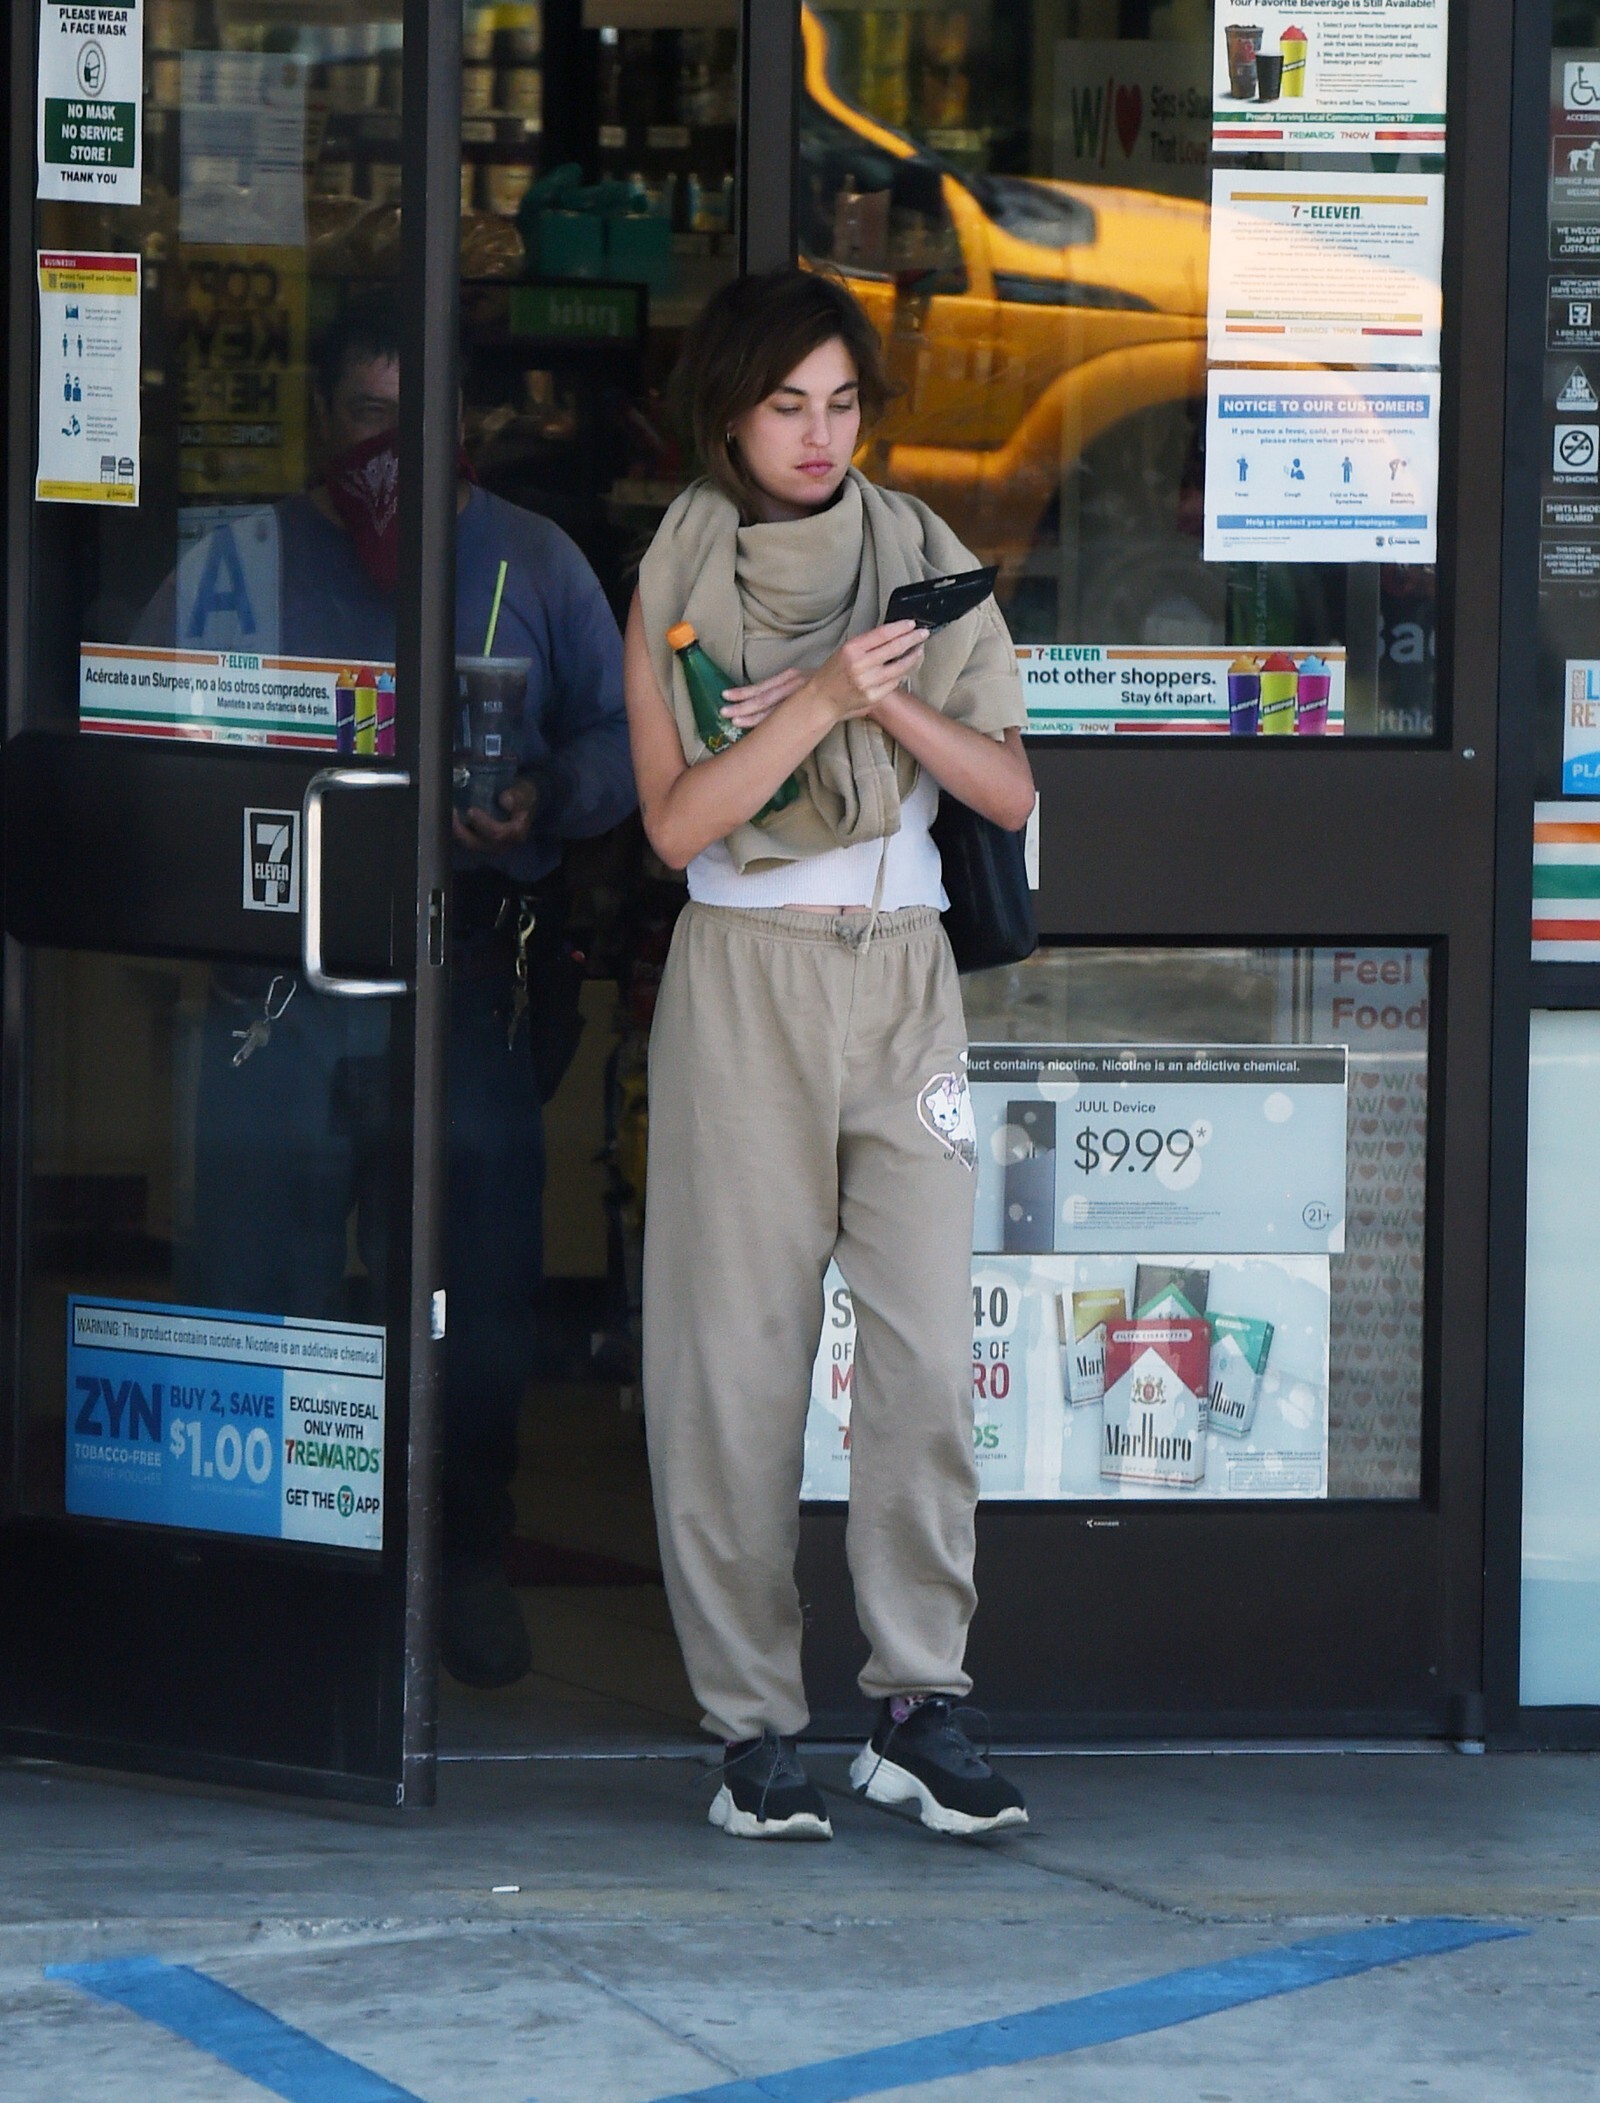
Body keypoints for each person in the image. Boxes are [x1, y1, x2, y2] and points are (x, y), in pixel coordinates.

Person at [141, 291, 636, 1687]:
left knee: (474, 1296)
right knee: (262, 1278)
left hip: (466, 975)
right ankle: (261, 1576)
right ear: (320, 419)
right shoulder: (240, 564)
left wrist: (543, 793)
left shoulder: (532, 560)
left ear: (464, 421)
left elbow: (624, 739)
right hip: (283, 990)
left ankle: (463, 1551)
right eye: (368, 414)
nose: (394, 447)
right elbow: (141, 729)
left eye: (420, 418)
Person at [624, 268, 1035, 1840]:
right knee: (732, 1365)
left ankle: (920, 1702)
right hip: (746, 971)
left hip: (906, 968)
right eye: (787, 404)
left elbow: (1009, 791)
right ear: (728, 414)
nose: (818, 434)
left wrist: (886, 704)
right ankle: (750, 1726)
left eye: (843, 403)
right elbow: (677, 827)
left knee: (925, 1351)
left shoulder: (926, 558)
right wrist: (811, 708)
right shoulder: (674, 570)